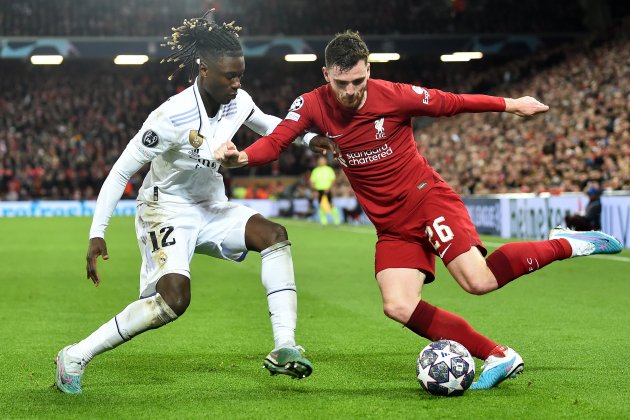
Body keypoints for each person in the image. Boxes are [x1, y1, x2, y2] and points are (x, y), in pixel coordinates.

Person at [215, 31, 623, 390]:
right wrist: (242, 158)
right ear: (326, 75)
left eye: (358, 80)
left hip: (427, 201)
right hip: (391, 227)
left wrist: (508, 103)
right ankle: (498, 354)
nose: (351, 91)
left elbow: (451, 102)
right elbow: (278, 140)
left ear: (368, 70)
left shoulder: (392, 94)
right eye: (341, 83)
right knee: (397, 306)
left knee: (477, 282)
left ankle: (564, 244)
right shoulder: (310, 105)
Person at [54, 13, 318, 395]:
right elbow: (119, 172)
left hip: (211, 205)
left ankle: (284, 345)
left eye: (240, 74)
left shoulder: (238, 100)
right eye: (230, 75)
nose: (237, 82)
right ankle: (75, 356)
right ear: (204, 70)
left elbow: (270, 125)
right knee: (175, 300)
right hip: (166, 210)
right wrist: (98, 233)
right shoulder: (169, 117)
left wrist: (310, 140)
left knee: (274, 234)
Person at [310, 156, 340, 225]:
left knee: (331, 204)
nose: (321, 161)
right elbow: (312, 181)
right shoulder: (315, 170)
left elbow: (333, 180)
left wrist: (329, 188)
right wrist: (314, 190)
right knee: (321, 205)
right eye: (320, 160)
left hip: (327, 189)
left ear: (325, 161)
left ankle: (337, 221)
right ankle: (324, 221)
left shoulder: (329, 169)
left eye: (322, 160)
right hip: (319, 190)